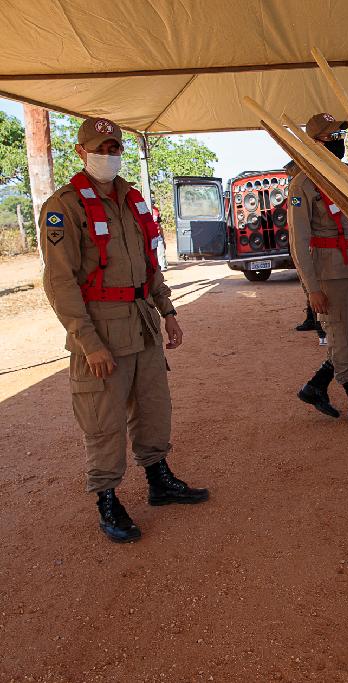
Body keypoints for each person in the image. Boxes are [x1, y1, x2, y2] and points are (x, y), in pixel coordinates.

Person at [39, 117, 208, 544]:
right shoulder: (64, 206)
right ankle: (107, 499)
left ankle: (158, 479)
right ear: (80, 151)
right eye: (100, 148)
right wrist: (88, 343)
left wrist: (168, 311)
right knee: (104, 419)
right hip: (101, 330)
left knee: (153, 407)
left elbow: (150, 262)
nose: (108, 154)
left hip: (142, 322)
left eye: (114, 147)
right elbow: (59, 282)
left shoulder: (132, 199)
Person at [288, 114, 348, 427]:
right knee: (340, 339)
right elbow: (299, 242)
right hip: (328, 273)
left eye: (341, 135)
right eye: (332, 137)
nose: (339, 141)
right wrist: (311, 288)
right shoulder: (303, 184)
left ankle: (316, 386)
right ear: (315, 143)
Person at [284, 160, 327, 345]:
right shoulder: (298, 188)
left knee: (314, 289)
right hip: (306, 249)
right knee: (309, 288)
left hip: (314, 249)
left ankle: (321, 328)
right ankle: (314, 322)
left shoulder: (303, 186)